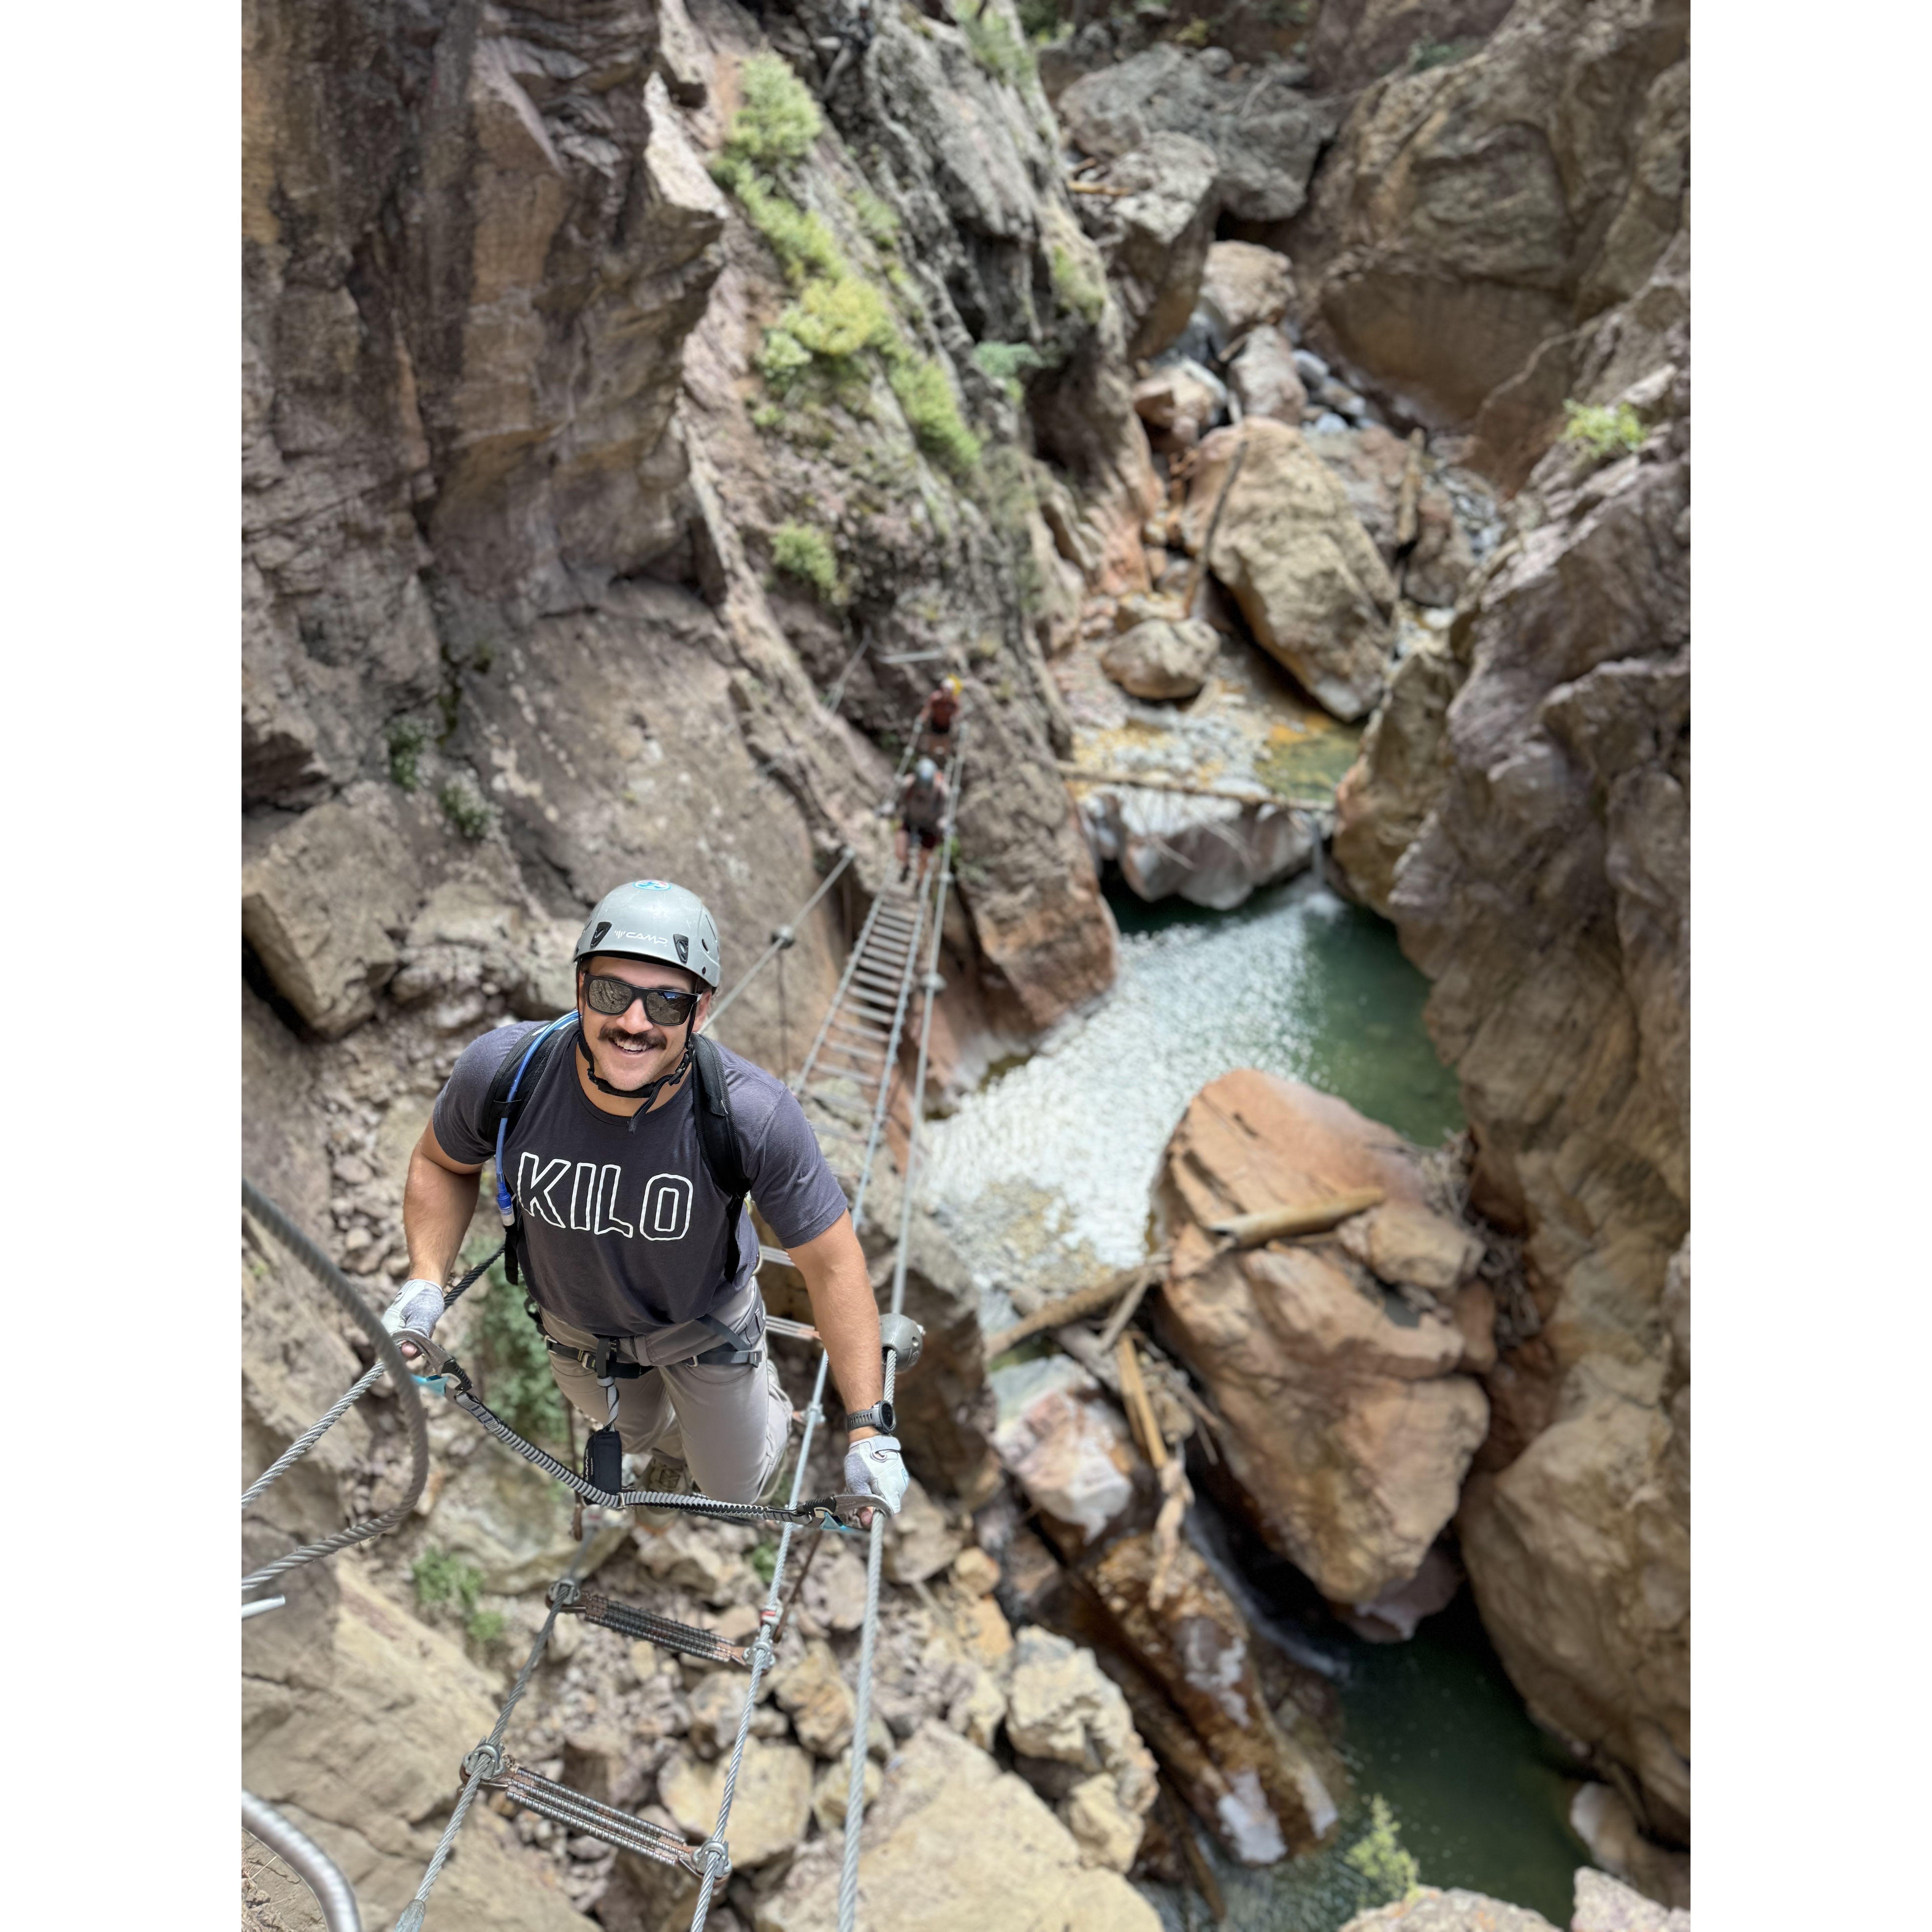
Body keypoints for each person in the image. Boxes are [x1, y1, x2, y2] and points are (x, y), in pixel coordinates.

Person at [384, 880, 907, 1523]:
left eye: (666, 1003)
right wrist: (425, 1282)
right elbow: (442, 1161)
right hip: (575, 1330)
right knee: (632, 1436)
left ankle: (758, 1407)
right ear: (580, 989)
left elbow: (832, 1263)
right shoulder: (504, 1074)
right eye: (611, 994)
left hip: (704, 1327)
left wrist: (866, 1429)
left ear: (700, 1011)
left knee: (732, 1494)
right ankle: (678, 1444)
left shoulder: (751, 1115)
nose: (634, 1023)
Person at [895, 756, 947, 885]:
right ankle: (906, 866)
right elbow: (897, 804)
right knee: (900, 851)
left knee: (924, 859)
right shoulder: (907, 786)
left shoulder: (942, 793)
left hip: (931, 827)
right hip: (910, 821)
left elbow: (946, 815)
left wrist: (943, 823)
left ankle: (920, 880)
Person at [917, 675, 962, 761]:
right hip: (935, 723)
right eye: (945, 690)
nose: (946, 692)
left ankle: (945, 760)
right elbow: (928, 708)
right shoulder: (935, 699)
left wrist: (959, 721)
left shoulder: (954, 702)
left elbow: (957, 713)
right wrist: (922, 718)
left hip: (947, 726)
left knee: (945, 743)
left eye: (949, 691)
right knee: (933, 742)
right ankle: (930, 758)